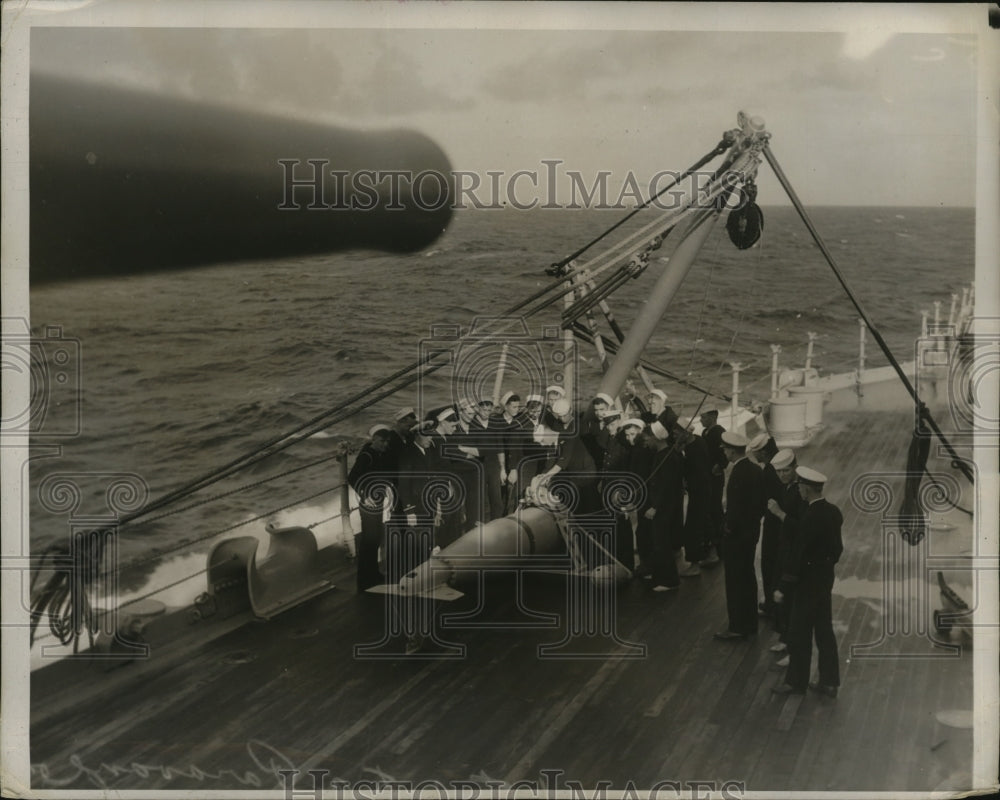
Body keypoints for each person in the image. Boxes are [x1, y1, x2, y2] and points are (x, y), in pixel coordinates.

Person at [773, 467, 844, 698]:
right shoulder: (833, 512)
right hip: (824, 581)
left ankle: (795, 682)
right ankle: (829, 681)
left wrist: (783, 586)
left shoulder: (810, 517)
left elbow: (798, 554)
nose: (800, 492)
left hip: (807, 584)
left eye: (802, 488)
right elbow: (837, 550)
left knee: (797, 633)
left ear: (806, 489)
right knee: (824, 631)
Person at [714, 430, 765, 641]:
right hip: (751, 533)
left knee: (735, 580)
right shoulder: (755, 469)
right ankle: (749, 621)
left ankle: (738, 626)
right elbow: (759, 504)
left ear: (732, 451)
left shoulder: (738, 472)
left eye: (725, 449)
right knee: (747, 578)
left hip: (737, 537)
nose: (724, 452)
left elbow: (734, 508)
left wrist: (728, 528)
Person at [767, 448, 806, 661]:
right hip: (784, 548)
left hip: (794, 551)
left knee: (790, 597)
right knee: (779, 591)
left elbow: (800, 526)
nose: (782, 475)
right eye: (779, 472)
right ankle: (785, 636)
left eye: (786, 470)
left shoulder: (800, 491)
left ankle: (794, 649)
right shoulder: (788, 487)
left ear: (795, 468)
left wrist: (779, 513)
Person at [347, 424, 393, 591]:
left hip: (379, 500)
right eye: (382, 441)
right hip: (368, 502)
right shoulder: (367, 455)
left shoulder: (380, 454)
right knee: (369, 540)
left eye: (387, 441)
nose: (385, 444)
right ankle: (364, 580)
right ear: (374, 439)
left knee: (375, 538)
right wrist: (364, 496)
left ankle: (373, 574)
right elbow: (352, 477)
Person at [640, 421, 682, 591]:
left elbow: (667, 486)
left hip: (664, 508)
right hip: (662, 506)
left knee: (662, 542)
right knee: (658, 540)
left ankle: (669, 581)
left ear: (654, 438)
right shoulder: (663, 454)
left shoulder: (666, 457)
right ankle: (660, 575)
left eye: (647, 439)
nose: (645, 443)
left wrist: (655, 507)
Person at [748, 433, 783, 618]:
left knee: (770, 562)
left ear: (763, 452)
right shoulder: (780, 464)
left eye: (756, 452)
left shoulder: (769, 472)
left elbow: (765, 501)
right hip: (781, 521)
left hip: (774, 523)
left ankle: (772, 604)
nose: (753, 456)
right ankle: (774, 602)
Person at [699, 407, 727, 567]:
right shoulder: (705, 433)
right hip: (706, 477)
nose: (701, 420)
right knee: (709, 509)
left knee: (715, 510)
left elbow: (725, 452)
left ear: (712, 417)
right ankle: (712, 544)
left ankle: (719, 548)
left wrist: (720, 466)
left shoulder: (719, 432)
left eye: (703, 417)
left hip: (715, 478)